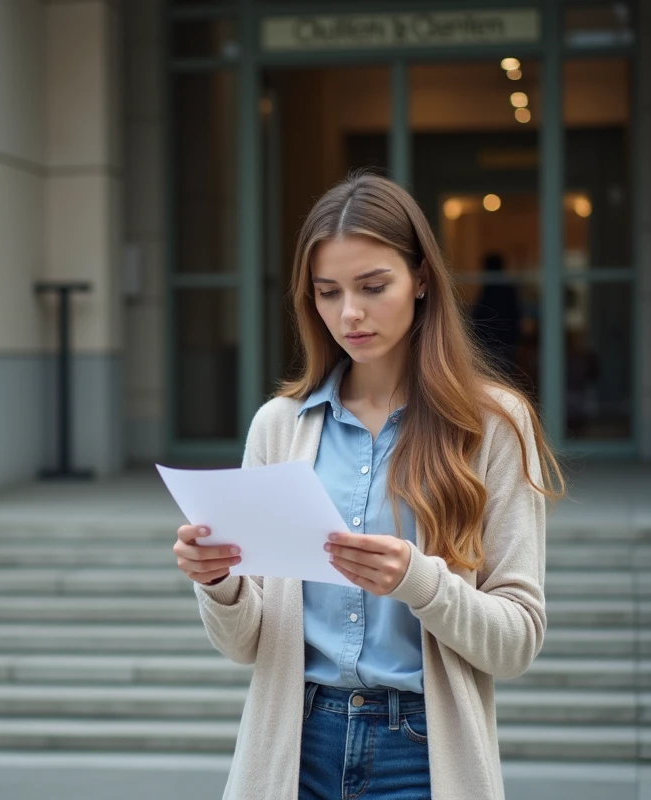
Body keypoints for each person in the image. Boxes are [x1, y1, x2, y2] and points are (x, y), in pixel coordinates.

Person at [172, 172, 563, 800]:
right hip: (295, 747)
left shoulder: (492, 424)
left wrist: (419, 581)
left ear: (422, 279)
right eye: (328, 292)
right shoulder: (279, 427)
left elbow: (516, 643)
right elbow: (244, 645)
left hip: (421, 755)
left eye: (373, 287)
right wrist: (219, 582)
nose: (349, 313)